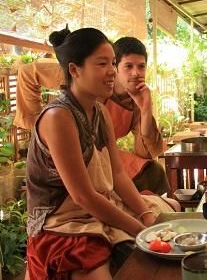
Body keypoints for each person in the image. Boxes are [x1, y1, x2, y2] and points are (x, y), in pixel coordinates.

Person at [25, 27, 176, 280]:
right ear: (74, 70)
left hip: (96, 207)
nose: (112, 72)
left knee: (169, 209)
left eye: (113, 63)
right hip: (63, 222)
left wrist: (146, 216)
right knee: (104, 279)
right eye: (102, 63)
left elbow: (117, 175)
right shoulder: (58, 117)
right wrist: (141, 231)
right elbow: (83, 197)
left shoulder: (99, 111)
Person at [14, 36, 171, 196]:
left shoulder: (135, 101)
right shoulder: (80, 75)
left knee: (153, 173)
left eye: (141, 67)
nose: (136, 73)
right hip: (68, 158)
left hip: (101, 157)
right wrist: (37, 122)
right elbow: (27, 72)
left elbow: (144, 153)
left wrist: (145, 110)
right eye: (128, 66)